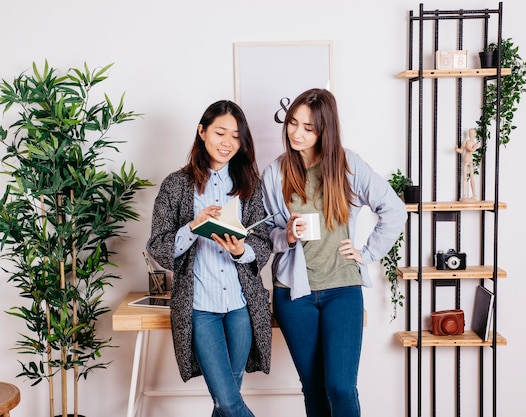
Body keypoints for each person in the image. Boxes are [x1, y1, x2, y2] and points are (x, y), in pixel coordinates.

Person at [261, 88, 407, 417]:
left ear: (325, 129)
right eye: (293, 123)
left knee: (340, 387)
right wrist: (286, 236)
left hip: (342, 290)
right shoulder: (275, 173)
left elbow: (394, 210)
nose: (296, 133)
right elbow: (262, 235)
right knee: (313, 388)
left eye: (308, 127)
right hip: (293, 295)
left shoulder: (347, 164)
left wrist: (367, 253)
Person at [146, 100, 272, 417]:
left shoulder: (249, 184)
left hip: (242, 307)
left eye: (235, 135)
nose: (227, 142)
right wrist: (192, 227)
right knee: (229, 402)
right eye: (220, 132)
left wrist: (242, 250)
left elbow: (265, 240)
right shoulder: (176, 185)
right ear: (202, 132)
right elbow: (157, 246)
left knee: (226, 400)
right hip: (200, 308)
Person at [455, 128, 479, 200]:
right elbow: (464, 150)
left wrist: (475, 146)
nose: (472, 135)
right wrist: (457, 149)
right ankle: (464, 195)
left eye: (473, 133)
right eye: (471, 133)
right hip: (466, 159)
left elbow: (470, 149)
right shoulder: (467, 142)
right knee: (465, 178)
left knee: (472, 177)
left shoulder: (473, 143)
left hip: (470, 160)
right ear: (469, 134)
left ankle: (474, 194)